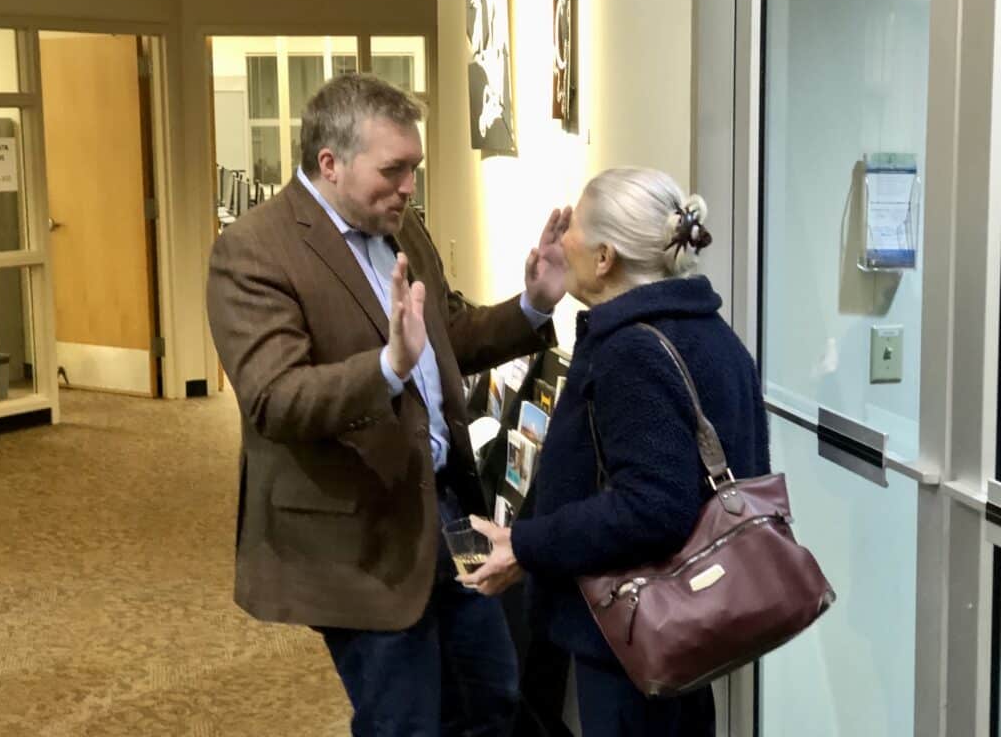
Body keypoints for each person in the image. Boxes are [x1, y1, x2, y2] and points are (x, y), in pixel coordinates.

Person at [206, 73, 571, 736]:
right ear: (330, 163)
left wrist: (533, 304)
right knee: (404, 721)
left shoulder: (405, 228)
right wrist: (387, 368)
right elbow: (274, 398)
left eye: (415, 168)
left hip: (450, 509)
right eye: (394, 169)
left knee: (493, 694)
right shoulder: (253, 250)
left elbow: (447, 332)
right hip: (357, 531)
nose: (409, 185)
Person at [459, 167, 771, 736]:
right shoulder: (709, 331)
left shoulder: (631, 350)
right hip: (688, 627)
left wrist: (526, 544)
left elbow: (651, 507)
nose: (561, 237)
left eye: (573, 225)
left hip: (634, 636)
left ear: (605, 258)